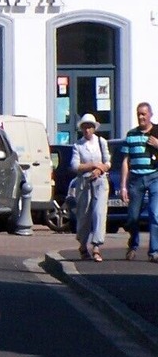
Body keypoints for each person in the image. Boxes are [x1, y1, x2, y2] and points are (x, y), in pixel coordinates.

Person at [120, 102, 158, 262]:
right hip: (136, 179)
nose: (141, 117)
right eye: (139, 114)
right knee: (133, 217)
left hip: (155, 176)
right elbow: (125, 161)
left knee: (155, 215)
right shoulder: (131, 135)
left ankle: (154, 251)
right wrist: (123, 186)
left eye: (144, 114)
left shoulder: (157, 132)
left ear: (150, 115)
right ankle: (133, 245)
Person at [71, 113, 110, 263]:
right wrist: (93, 166)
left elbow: (108, 162)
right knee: (84, 215)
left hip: (100, 181)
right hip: (84, 183)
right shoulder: (78, 145)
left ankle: (96, 246)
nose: (87, 130)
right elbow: (75, 166)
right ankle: (82, 245)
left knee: (99, 213)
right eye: (85, 127)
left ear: (94, 128)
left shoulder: (101, 142)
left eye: (90, 127)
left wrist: (100, 169)